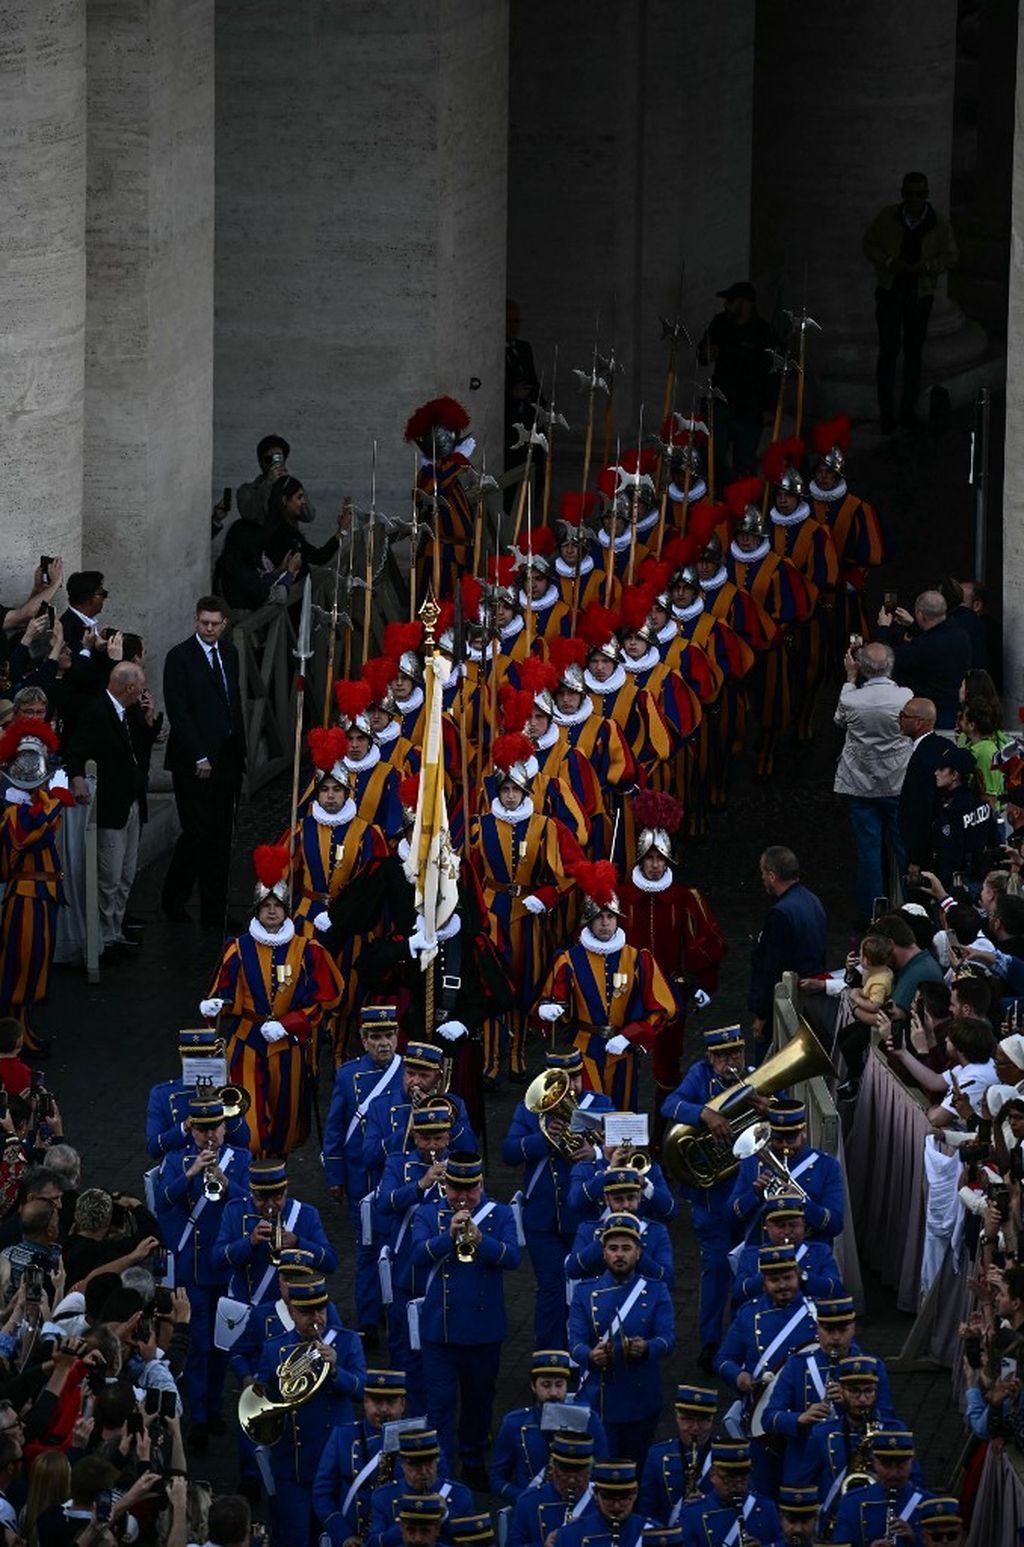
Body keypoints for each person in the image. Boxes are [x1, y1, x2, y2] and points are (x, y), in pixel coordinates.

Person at [201, 845, 344, 1155]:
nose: (271, 911)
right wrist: (216, 1006)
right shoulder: (236, 949)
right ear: (256, 909)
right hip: (246, 1043)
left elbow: (323, 1002)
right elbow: (223, 994)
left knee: (285, 1124)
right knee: (246, 1124)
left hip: (288, 1046)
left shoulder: (308, 950)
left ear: (286, 909)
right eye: (265, 905)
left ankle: (274, 1182)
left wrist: (289, 1024)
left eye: (277, 905)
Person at [410, 1152, 520, 1490]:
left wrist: (481, 1241)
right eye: (456, 1189)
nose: (463, 1198)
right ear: (446, 1186)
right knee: (440, 1406)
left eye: (470, 1190)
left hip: (483, 1332)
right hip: (439, 1334)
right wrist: (448, 1237)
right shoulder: (429, 1214)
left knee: (478, 1404)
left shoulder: (499, 1214)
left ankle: (473, 1462)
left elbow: (513, 1258)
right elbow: (416, 1256)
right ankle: (441, 1470)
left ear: (481, 1184)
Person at [154, 1094, 250, 1452]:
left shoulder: (241, 1159)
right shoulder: (175, 1160)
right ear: (192, 1130)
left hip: (225, 1266)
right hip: (192, 1271)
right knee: (195, 1345)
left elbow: (249, 1205)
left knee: (222, 1344)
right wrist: (191, 1174)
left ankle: (213, 1406)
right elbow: (161, 1201)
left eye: (216, 1127)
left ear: (225, 1129)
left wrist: (225, 1182)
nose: (210, 1135)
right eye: (202, 1129)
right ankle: (197, 1417)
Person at [537, 863, 674, 1111]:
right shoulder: (569, 959)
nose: (604, 923)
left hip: (623, 1049)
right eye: (598, 917)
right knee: (588, 1112)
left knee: (622, 1113)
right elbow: (552, 997)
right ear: (588, 921)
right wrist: (548, 1008)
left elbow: (663, 1008)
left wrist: (631, 1035)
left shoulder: (637, 959)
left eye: (610, 916)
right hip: (584, 1049)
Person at [501, 1048, 613, 1352]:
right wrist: (544, 1138)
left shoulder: (600, 1105)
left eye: (576, 1077)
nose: (572, 1086)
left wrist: (598, 1154)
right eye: (563, 1080)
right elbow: (509, 1152)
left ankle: (586, 1353)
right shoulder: (530, 1111)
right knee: (551, 1288)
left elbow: (627, 1146)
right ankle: (550, 1357)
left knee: (588, 1287)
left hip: (586, 1218)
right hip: (543, 1218)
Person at [660, 1026, 758, 1367]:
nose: (733, 1063)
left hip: (746, 1194)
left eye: (737, 1055)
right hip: (711, 1196)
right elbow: (670, 1104)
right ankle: (711, 1343)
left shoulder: (752, 1079)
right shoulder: (699, 1076)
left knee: (748, 1271)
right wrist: (704, 1113)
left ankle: (746, 1342)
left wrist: (766, 1106)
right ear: (710, 1058)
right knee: (715, 1269)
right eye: (725, 1057)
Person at [253, 1273, 367, 1544]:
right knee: (296, 1538)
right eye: (306, 1312)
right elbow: (260, 1404)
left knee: (336, 1537)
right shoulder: (275, 1349)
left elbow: (363, 1390)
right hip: (293, 1465)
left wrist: (336, 1371)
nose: (316, 1318)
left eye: (320, 1310)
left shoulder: (348, 1342)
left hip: (335, 1464)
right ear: (291, 1312)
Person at [161, 596, 246, 927]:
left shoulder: (230, 653)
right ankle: (174, 899)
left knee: (222, 836)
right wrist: (200, 754)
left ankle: (216, 910)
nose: (209, 629)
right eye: (204, 623)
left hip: (227, 755)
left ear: (224, 623)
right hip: (193, 760)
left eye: (215, 623)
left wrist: (239, 749)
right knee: (196, 831)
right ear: (196, 621)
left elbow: (232, 700)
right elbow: (179, 711)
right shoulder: (179, 657)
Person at [322, 1005, 403, 1343]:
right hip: (361, 1178)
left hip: (399, 1177)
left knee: (400, 1246)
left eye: (389, 1036)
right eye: (376, 1037)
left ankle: (396, 1312)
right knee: (368, 1249)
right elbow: (335, 1128)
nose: (384, 1044)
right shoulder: (347, 1075)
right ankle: (368, 1320)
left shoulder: (409, 1071)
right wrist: (335, 1176)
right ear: (364, 1040)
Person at [568, 1213, 675, 1463]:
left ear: (638, 1253)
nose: (619, 1255)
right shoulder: (585, 1293)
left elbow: (668, 1338)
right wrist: (589, 1355)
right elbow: (575, 1342)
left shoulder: (656, 1290)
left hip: (641, 1395)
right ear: (603, 1253)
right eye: (613, 1248)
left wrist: (647, 1348)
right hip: (600, 1398)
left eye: (626, 1248)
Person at [65, 661, 150, 960]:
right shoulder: (97, 711)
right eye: (139, 687)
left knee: (126, 874)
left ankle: (116, 931)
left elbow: (138, 748)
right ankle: (103, 938)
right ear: (129, 688)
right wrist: (77, 778)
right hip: (112, 805)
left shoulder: (130, 711)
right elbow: (75, 749)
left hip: (131, 801)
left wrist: (150, 722)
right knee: (109, 877)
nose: (142, 692)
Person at [0, 718, 73, 1058]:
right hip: (26, 898)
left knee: (35, 966)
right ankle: (14, 1036)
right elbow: (32, 835)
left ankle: (23, 1029)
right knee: (20, 966)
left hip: (42, 896)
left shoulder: (33, 806)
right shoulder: (14, 814)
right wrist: (53, 802)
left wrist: (50, 801)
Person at [863, 170, 958, 432]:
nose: (915, 199)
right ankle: (887, 414)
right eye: (910, 194)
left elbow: (951, 255)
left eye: (920, 194)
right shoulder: (888, 218)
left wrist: (927, 266)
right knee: (889, 354)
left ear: (926, 195)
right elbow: (869, 245)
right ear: (903, 195)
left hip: (919, 294)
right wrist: (890, 263)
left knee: (913, 355)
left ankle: (907, 412)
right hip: (892, 292)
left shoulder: (938, 223)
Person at [833, 642, 913, 926]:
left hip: (861, 783)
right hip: (896, 781)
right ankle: (908, 905)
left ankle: (872, 911)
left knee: (869, 848)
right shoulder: (905, 696)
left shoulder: (852, 698)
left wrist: (850, 679)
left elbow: (839, 720)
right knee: (902, 846)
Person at [490, 1350, 608, 1502]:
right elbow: (497, 1479)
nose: (553, 1393)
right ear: (533, 1386)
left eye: (559, 1385)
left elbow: (602, 1472)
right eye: (546, 1385)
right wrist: (525, 1500)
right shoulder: (514, 1423)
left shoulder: (589, 1420)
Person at [313, 1367, 408, 1547]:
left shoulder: (420, 1441)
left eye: (391, 1402)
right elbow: (322, 1494)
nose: (383, 1409)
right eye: (376, 1401)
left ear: (402, 1404)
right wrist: (344, 1536)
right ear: (365, 1402)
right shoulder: (343, 1436)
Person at [748, 848, 827, 1061]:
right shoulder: (812, 900)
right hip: (811, 1004)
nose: (763, 878)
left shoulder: (781, 914)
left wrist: (762, 1016)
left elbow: (772, 969)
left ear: (772, 876)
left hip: (786, 1009)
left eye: (763, 873)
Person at [728, 1098, 844, 1243]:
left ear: (804, 1132)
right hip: (763, 1251)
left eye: (790, 1140)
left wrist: (802, 1201)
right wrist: (754, 1195)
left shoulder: (826, 1166)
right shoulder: (752, 1162)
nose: (785, 1146)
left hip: (809, 1255)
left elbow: (836, 1224)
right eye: (778, 1140)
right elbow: (730, 1216)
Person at [698, 283, 776, 478]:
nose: (726, 305)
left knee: (745, 464)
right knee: (711, 460)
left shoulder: (763, 332)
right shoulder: (721, 323)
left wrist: (769, 408)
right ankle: (716, 499)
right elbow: (703, 354)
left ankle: (739, 503)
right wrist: (708, 352)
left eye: (730, 301)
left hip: (750, 409)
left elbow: (772, 374)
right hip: (721, 404)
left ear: (744, 303)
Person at [364, 1427, 474, 1547]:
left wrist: (446, 1515)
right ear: (402, 1464)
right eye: (415, 1465)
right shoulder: (384, 1496)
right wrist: (406, 1523)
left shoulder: (460, 1494)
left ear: (437, 1461)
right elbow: (373, 1543)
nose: (423, 1471)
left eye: (428, 1463)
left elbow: (469, 1541)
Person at [877, 591, 970, 730]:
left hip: (928, 715)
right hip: (954, 710)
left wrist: (884, 629)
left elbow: (890, 660)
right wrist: (913, 626)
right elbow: (937, 639)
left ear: (921, 614)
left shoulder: (924, 646)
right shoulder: (961, 636)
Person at [830, 1429, 931, 1546]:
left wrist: (914, 1540)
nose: (893, 1473)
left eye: (901, 1465)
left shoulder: (927, 1502)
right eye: (886, 1465)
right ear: (874, 1463)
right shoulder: (852, 1502)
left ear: (912, 1462)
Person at [676, 1439, 782, 1547]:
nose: (737, 1485)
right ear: (712, 1475)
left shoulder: (766, 1507)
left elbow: (784, 1542)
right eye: (728, 1478)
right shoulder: (693, 1513)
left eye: (743, 1479)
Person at [637, 1383, 718, 1522]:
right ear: (677, 1417)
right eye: (688, 1420)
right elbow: (646, 1511)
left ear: (712, 1420)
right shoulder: (657, 1455)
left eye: (703, 1421)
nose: (695, 1428)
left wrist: (707, 1502)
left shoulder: (727, 1453)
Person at [504, 1430, 598, 1547]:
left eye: (579, 1475)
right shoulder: (529, 1501)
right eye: (564, 1474)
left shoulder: (602, 1501)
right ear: (552, 1470)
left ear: (590, 1472)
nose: (572, 1481)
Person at [929, 744, 998, 884]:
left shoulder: (952, 808)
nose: (936, 773)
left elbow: (951, 853)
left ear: (955, 775)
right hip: (983, 877)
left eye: (942, 769)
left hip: (958, 881)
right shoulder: (981, 801)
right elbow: (994, 841)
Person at [896, 697, 945, 877]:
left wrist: (916, 859)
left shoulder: (922, 759)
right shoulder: (940, 745)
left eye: (904, 716)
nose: (899, 719)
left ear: (918, 723)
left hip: (922, 853)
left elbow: (921, 810)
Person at [235, 432, 293, 529]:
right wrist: (268, 482)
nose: (273, 463)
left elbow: (309, 515)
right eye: (268, 459)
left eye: (278, 458)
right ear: (260, 462)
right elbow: (249, 516)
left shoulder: (290, 484)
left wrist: (291, 485)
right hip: (261, 540)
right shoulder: (247, 490)